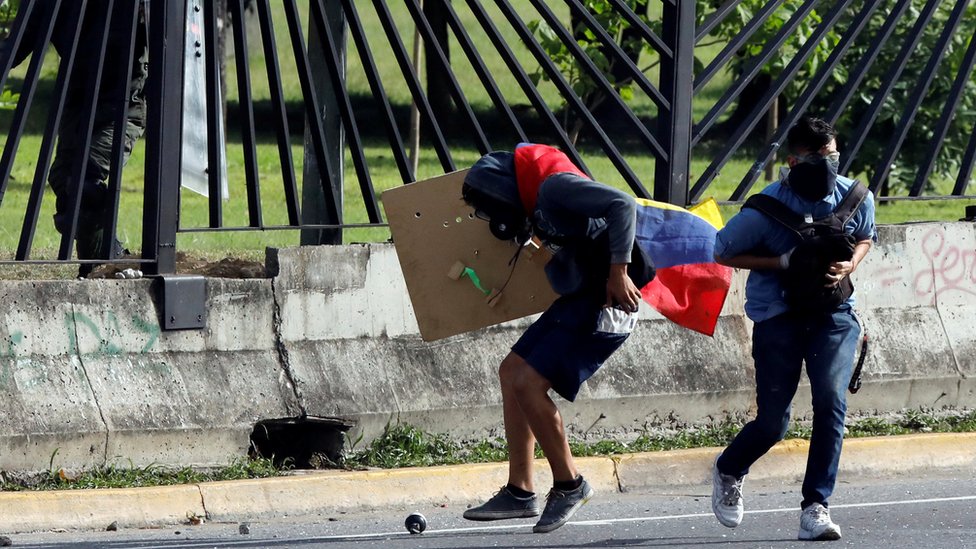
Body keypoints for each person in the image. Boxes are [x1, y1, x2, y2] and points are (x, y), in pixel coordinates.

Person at [459, 143, 654, 533]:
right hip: (584, 294)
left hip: (607, 299)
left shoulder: (552, 188)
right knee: (511, 370)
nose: (494, 217)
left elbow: (622, 205)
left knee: (528, 382)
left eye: (492, 206)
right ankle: (520, 491)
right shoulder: (537, 202)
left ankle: (569, 484)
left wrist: (618, 271)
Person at [710, 116, 876, 541]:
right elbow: (722, 251)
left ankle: (815, 507)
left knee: (830, 402)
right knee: (772, 422)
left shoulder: (856, 197)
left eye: (833, 156)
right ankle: (730, 468)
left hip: (834, 315)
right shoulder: (765, 207)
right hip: (777, 315)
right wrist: (780, 263)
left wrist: (850, 264)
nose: (828, 164)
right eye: (818, 158)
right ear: (792, 160)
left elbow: (865, 237)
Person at [3, 0, 148, 277]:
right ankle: (102, 262)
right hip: (78, 94)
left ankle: (107, 261)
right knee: (62, 177)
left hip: (121, 100)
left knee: (85, 177)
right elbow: (19, 42)